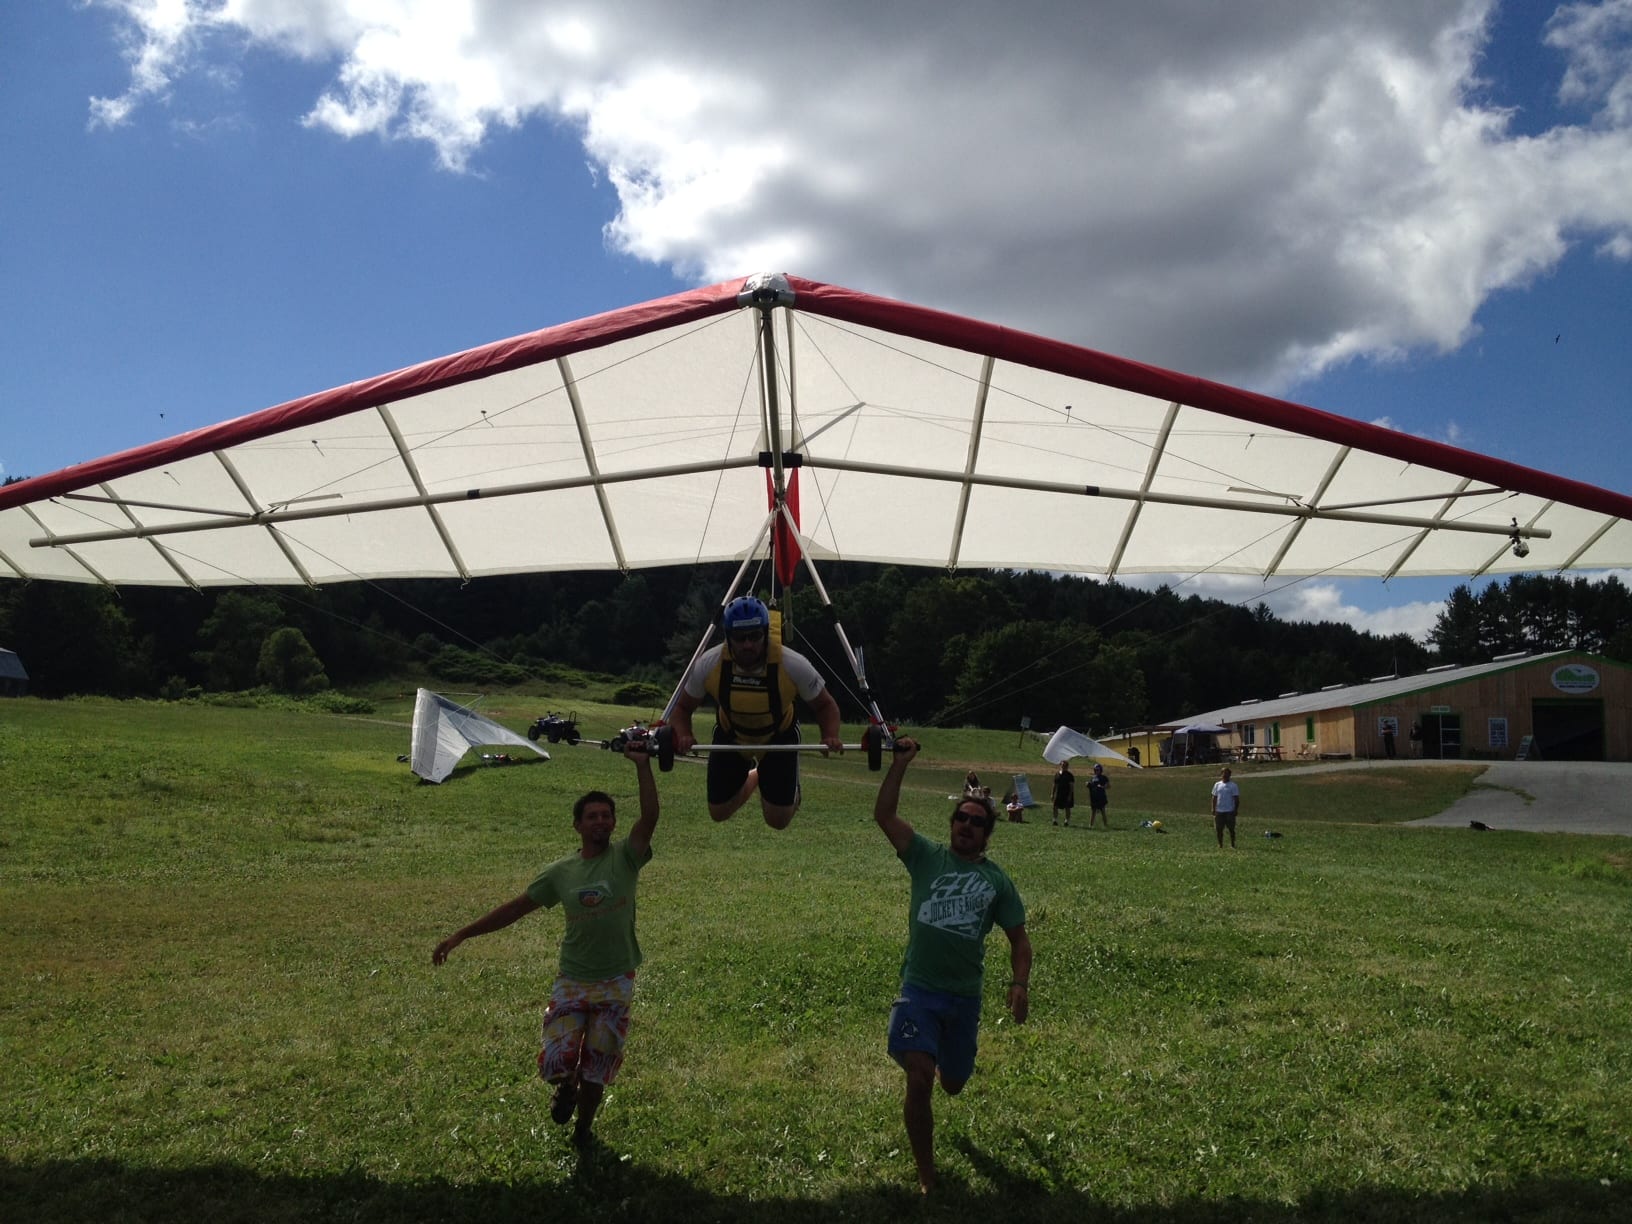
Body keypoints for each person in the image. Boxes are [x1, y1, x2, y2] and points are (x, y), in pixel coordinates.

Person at [432, 742, 660, 1149]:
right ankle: (564, 1085)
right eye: (592, 816)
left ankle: (583, 1129)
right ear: (577, 825)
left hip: (616, 980)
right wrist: (462, 934)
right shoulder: (561, 873)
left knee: (598, 1068)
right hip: (573, 979)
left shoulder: (627, 857)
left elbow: (651, 817)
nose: (601, 822)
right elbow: (516, 909)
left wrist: (643, 765)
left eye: (607, 816)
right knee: (557, 1061)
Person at [872, 737, 1032, 1195]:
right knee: (919, 1078)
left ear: (986, 834)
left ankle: (947, 1064)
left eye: (975, 822)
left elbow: (1019, 940)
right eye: (960, 818)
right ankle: (928, 1176)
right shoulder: (926, 856)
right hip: (919, 989)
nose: (965, 825)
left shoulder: (996, 880)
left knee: (954, 1084)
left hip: (964, 998)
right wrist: (900, 763)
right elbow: (884, 816)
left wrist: (1019, 983)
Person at [670, 596, 844, 829]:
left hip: (778, 737)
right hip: (732, 735)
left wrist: (830, 734)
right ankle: (758, 774)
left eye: (754, 636)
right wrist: (683, 734)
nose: (748, 645)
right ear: (729, 638)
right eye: (740, 638)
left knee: (778, 821)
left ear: (765, 634)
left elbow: (825, 705)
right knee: (718, 812)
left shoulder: (792, 663)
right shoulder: (709, 663)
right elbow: (682, 708)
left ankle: (789, 788)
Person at [1211, 766, 1240, 848]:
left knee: (1231, 829)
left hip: (1229, 811)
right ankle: (1220, 844)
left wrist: (1235, 809)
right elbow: (1214, 797)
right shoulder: (1217, 785)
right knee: (1218, 829)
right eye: (1223, 773)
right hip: (1219, 811)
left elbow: (1236, 799)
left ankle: (1233, 844)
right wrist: (1213, 808)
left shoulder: (1233, 785)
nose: (1225, 775)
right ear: (1221, 774)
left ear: (1230, 775)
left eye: (1227, 773)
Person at [1050, 760, 1074, 827]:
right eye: (1062, 765)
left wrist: (1070, 796)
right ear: (1060, 765)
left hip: (1066, 793)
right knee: (1055, 806)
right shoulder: (1057, 774)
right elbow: (1054, 784)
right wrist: (1052, 794)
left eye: (1065, 765)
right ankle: (1055, 820)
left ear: (1067, 767)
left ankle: (1067, 821)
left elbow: (1071, 786)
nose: (1064, 766)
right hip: (1058, 793)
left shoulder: (1070, 775)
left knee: (1067, 807)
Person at [1087, 762, 1111, 827]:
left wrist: (1102, 787)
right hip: (1094, 797)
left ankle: (1105, 825)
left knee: (1103, 811)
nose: (1096, 771)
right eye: (1095, 770)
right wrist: (1088, 785)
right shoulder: (1093, 777)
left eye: (1097, 770)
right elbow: (1091, 785)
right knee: (1093, 811)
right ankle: (1090, 825)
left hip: (1101, 796)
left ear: (1100, 770)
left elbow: (1108, 786)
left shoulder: (1103, 777)